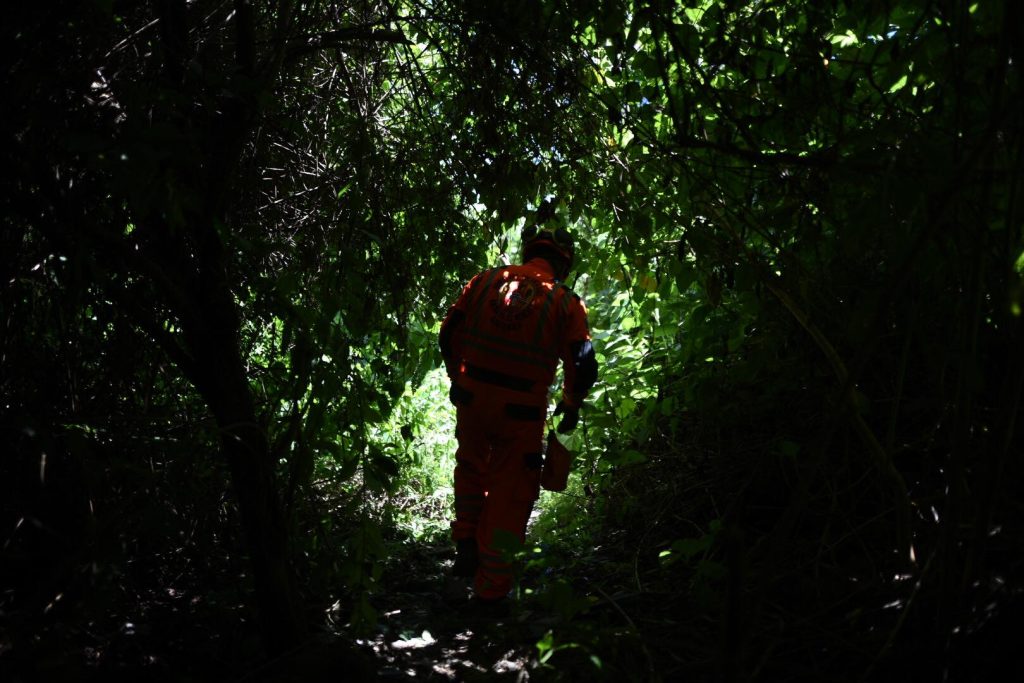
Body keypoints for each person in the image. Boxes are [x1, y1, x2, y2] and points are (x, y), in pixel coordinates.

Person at [438, 202, 598, 611]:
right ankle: (491, 590)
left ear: (530, 254)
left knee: (471, 467)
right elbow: (581, 361)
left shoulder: (486, 280)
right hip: (521, 411)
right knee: (511, 491)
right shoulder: (564, 300)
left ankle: (465, 547)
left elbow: (450, 330)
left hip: (473, 400)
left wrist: (459, 379)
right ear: (563, 264)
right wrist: (570, 405)